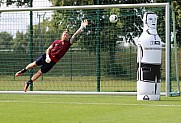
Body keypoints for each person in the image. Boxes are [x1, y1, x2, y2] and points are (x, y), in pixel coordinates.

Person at [15, 19, 88, 92]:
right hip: (46, 56)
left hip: (53, 61)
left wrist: (81, 27)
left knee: (40, 72)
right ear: (62, 35)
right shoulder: (56, 42)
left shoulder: (68, 43)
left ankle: (28, 82)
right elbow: (48, 49)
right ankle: (23, 71)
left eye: (67, 35)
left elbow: (75, 35)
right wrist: (47, 56)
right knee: (33, 64)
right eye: (64, 35)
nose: (65, 36)